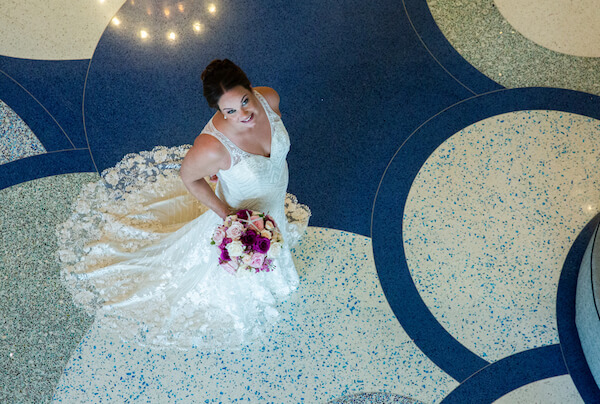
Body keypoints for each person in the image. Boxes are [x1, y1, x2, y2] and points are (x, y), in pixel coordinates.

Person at [57, 59, 310, 349]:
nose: (244, 114)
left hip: (274, 200)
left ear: (252, 89)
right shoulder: (212, 147)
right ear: (219, 112)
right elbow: (189, 178)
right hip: (243, 212)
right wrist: (228, 217)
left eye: (245, 101)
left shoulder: (270, 98)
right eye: (230, 111)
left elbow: (275, 134)